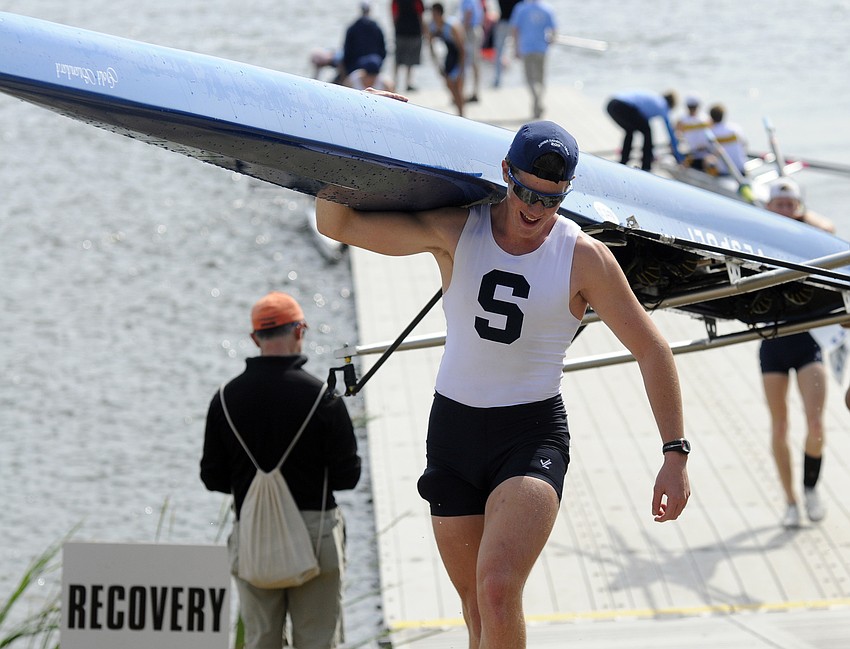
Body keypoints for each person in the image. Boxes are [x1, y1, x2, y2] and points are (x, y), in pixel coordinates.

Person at [316, 119, 690, 648]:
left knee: (496, 589)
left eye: (552, 199)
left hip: (530, 435)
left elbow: (653, 349)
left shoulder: (583, 257)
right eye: (526, 193)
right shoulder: (456, 231)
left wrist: (675, 452)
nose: (536, 209)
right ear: (505, 174)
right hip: (453, 433)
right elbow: (338, 225)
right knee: (473, 610)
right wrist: (356, 120)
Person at [200, 291, 361, 649]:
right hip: (315, 533)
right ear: (299, 331)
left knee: (260, 641)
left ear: (255, 338)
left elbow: (212, 477)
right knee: (317, 642)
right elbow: (347, 477)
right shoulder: (325, 397)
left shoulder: (224, 398)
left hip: (254, 532)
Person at [759, 178, 834, 529]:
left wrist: (800, 217)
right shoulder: (757, 237)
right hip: (773, 342)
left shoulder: (808, 238)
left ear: (799, 209)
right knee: (780, 426)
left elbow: (830, 228)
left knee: (816, 423)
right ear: (768, 207)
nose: (785, 210)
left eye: (791, 205)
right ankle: (790, 501)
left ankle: (810, 488)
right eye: (779, 204)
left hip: (806, 340)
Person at [606, 90, 684, 171]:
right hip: (622, 105)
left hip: (611, 104)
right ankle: (646, 165)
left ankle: (623, 161)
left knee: (630, 130)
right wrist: (679, 158)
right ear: (671, 104)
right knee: (647, 131)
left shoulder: (656, 99)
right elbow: (670, 134)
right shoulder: (663, 105)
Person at [510, 0, 556, 119]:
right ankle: (538, 102)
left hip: (526, 48)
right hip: (541, 48)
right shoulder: (547, 9)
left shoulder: (521, 8)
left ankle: (536, 101)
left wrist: (515, 48)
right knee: (540, 79)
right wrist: (551, 41)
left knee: (529, 79)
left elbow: (515, 30)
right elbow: (554, 31)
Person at [427, 2, 466, 117]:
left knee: (458, 88)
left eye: (434, 14)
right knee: (449, 85)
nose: (432, 17)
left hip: (458, 55)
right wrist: (436, 64)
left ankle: (461, 115)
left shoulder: (451, 26)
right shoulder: (433, 26)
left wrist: (461, 69)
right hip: (449, 55)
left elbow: (462, 49)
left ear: (439, 14)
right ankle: (459, 111)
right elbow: (430, 45)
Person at [342, 1, 387, 81]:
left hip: (355, 64)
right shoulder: (376, 27)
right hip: (374, 64)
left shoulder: (353, 27)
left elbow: (347, 49)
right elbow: (383, 49)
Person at [391, 0, 425, 92]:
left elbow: (394, 14)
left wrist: (396, 28)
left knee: (398, 59)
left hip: (401, 31)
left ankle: (395, 82)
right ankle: (408, 83)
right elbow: (420, 15)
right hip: (414, 31)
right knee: (411, 59)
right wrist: (423, 30)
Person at [706, 103, 748, 176]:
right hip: (741, 169)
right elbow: (745, 144)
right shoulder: (735, 128)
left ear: (711, 117)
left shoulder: (711, 133)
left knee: (706, 160)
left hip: (724, 172)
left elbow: (710, 151)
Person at [674, 94, 712, 170]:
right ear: (698, 106)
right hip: (706, 155)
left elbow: (675, 138)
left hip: (692, 157)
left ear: (687, 106)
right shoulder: (706, 119)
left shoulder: (681, 121)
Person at [459, 0, 484, 102]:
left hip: (470, 31)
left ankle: (471, 92)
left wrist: (462, 30)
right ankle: (473, 91)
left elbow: (468, 13)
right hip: (474, 30)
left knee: (470, 62)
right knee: (474, 63)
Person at [491, 0, 520, 88]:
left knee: (499, 53)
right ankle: (519, 79)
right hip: (515, 24)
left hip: (503, 22)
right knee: (518, 51)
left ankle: (498, 80)